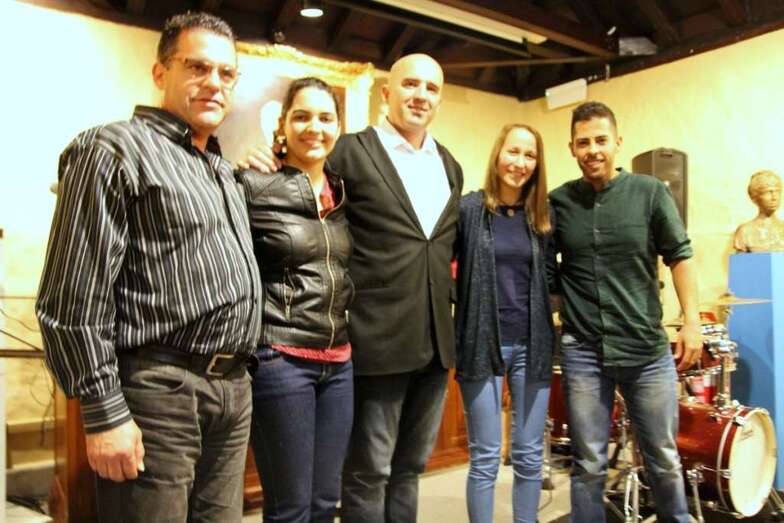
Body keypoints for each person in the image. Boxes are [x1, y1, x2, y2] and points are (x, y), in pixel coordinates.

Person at [35, 12, 261, 522]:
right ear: (161, 72)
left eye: (226, 73)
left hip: (232, 391)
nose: (214, 83)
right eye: (197, 67)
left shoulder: (221, 169)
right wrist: (104, 412)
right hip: (160, 390)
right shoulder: (112, 149)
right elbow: (73, 295)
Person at [244, 53, 463, 522]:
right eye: (410, 84)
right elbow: (302, 177)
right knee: (368, 472)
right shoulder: (350, 151)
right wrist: (266, 157)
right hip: (373, 343)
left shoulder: (450, 164)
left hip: (433, 346)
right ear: (387, 92)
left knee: (409, 469)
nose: (420, 95)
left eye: (431, 87)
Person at [549, 101, 701, 523]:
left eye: (601, 140)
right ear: (572, 148)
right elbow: (545, 272)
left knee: (663, 458)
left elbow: (680, 256)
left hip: (646, 350)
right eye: (583, 143)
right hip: (584, 351)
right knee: (588, 462)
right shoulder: (558, 202)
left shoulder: (651, 192)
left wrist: (691, 321)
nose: (592, 150)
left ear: (617, 142)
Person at [236, 77, 354, 522]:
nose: (314, 127)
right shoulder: (254, 183)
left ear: (338, 127)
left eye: (325, 118)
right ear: (283, 123)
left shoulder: (341, 193)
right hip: (281, 360)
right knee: (290, 509)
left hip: (339, 363)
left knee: (324, 503)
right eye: (302, 116)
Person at [454, 123, 556, 523]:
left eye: (530, 155)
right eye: (513, 151)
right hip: (482, 343)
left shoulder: (542, 216)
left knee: (529, 455)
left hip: (533, 344)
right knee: (485, 456)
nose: (520, 162)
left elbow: (550, 277)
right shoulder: (469, 209)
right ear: (498, 154)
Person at [733, 169, 784, 252]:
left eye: (777, 191)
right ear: (754, 197)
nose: (774, 197)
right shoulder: (745, 231)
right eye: (767, 192)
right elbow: (741, 259)